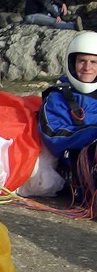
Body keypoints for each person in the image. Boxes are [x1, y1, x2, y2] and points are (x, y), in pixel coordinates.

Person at [38, 31, 97, 213]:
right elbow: (53, 137)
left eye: (93, 62)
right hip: (80, 166)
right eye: (82, 61)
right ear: (73, 63)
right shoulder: (58, 97)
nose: (87, 67)